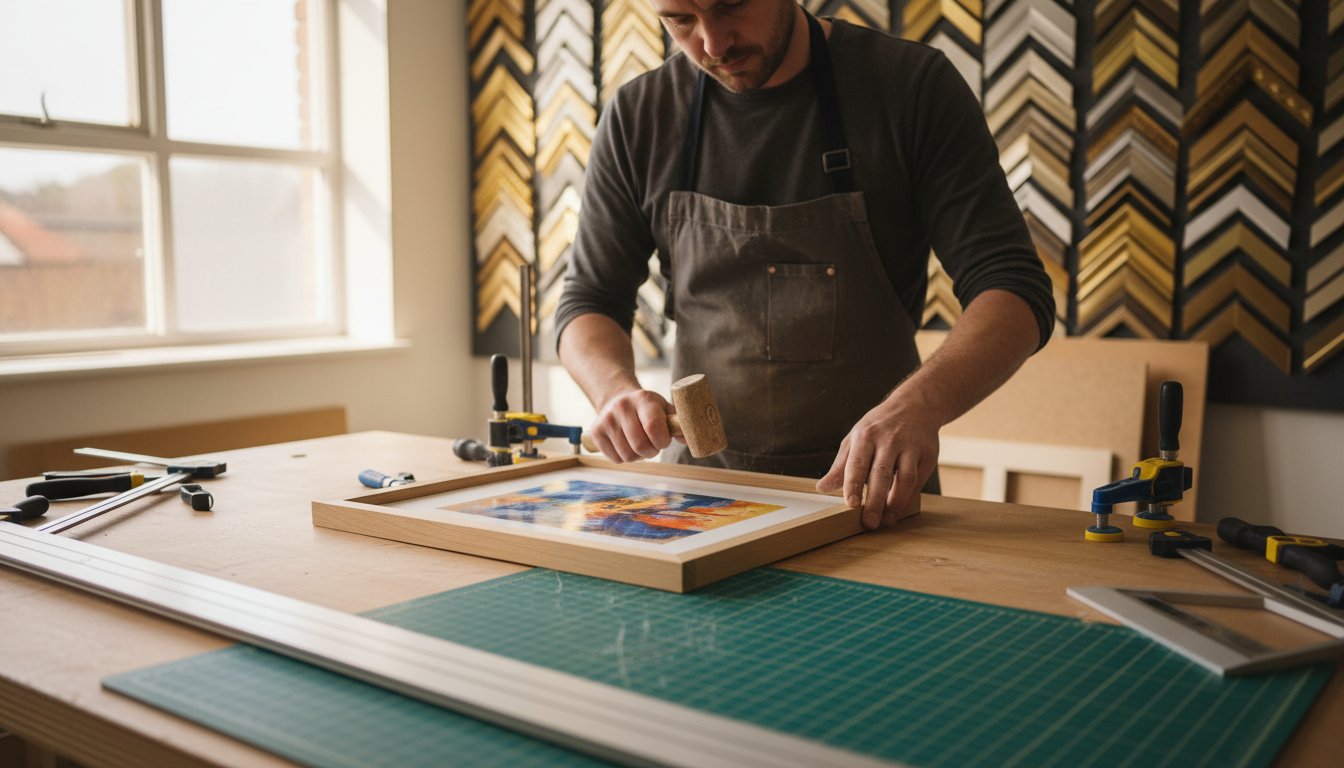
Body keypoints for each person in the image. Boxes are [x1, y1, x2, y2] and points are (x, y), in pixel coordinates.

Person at [555, 0, 1056, 530]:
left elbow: (1014, 287)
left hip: (870, 500)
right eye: (680, 19)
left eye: (730, 6)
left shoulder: (909, 86)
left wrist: (919, 408)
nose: (713, 43)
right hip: (702, 501)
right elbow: (589, 301)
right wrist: (615, 391)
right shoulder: (642, 114)